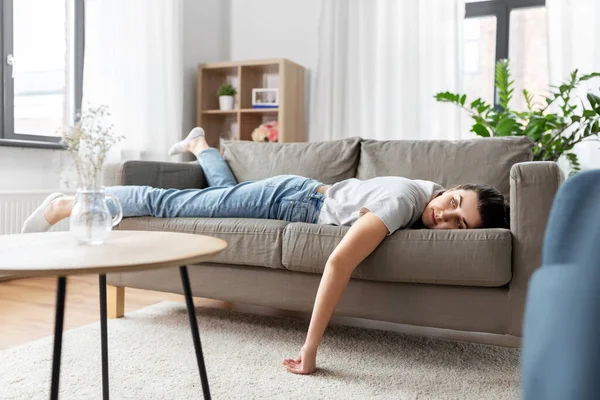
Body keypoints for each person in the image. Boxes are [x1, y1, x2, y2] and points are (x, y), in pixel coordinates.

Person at [22, 127, 510, 375]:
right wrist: (311, 348)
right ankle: (69, 202)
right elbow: (340, 259)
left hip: (295, 196)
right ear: (454, 186)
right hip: (291, 200)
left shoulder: (425, 191)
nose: (445, 218)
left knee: (216, 202)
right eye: (453, 203)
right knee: (175, 204)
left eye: (459, 225)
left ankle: (201, 145)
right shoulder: (405, 198)